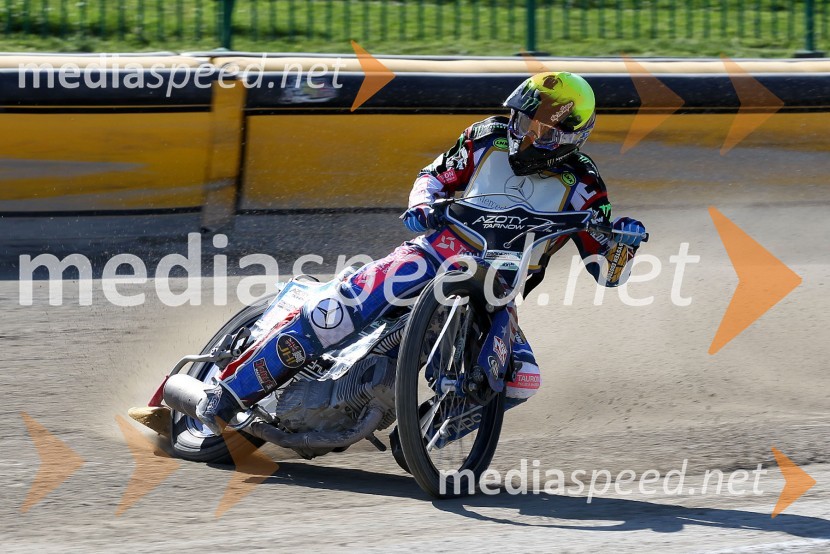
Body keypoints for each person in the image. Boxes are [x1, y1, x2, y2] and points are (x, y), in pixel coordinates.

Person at [196, 71, 646, 435]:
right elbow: (433, 176)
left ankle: (428, 430)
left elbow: (607, 273)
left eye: (536, 126)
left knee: (522, 380)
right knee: (341, 308)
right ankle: (231, 391)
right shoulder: (485, 135)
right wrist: (423, 205)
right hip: (436, 252)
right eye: (520, 118)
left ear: (569, 134)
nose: (521, 131)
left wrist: (620, 246)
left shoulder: (586, 184)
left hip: (499, 290)